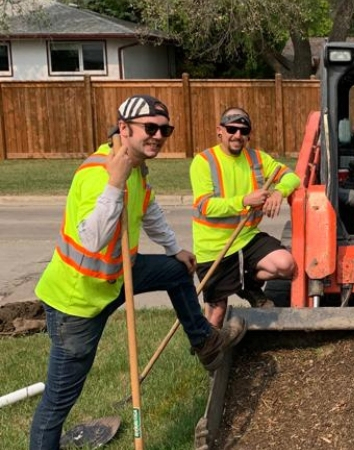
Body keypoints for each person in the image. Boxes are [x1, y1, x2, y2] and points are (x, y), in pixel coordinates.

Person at [30, 95, 246, 450]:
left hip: (116, 278)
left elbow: (149, 210)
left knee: (176, 271)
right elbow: (94, 238)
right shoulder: (99, 173)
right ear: (124, 128)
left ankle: (205, 342)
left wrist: (173, 248)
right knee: (58, 402)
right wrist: (114, 183)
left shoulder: (135, 168)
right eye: (150, 127)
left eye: (165, 129)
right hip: (77, 304)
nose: (158, 135)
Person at [190, 107, 300, 328]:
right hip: (213, 247)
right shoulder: (204, 161)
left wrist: (280, 192)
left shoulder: (258, 158)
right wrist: (244, 201)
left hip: (247, 237)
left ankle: (247, 285)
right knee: (216, 314)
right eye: (232, 129)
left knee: (286, 265)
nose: (237, 135)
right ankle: (208, 351)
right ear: (219, 131)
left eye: (243, 130)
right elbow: (205, 206)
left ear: (249, 134)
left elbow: (291, 176)